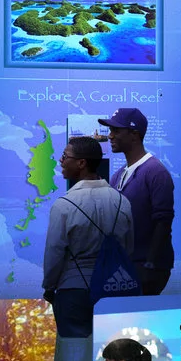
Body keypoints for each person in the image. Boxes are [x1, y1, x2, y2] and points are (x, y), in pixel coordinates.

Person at [40, 134, 138, 334]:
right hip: (116, 288)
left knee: (76, 349)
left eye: (65, 156)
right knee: (112, 344)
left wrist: (49, 287)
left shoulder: (63, 205)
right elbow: (128, 248)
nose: (61, 161)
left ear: (81, 163)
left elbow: (54, 253)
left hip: (74, 291)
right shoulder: (122, 201)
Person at [105, 107, 176, 297]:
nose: (110, 136)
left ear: (134, 134)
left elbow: (163, 221)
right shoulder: (118, 175)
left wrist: (150, 264)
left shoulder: (156, 172)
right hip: (124, 266)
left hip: (146, 268)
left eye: (116, 130)